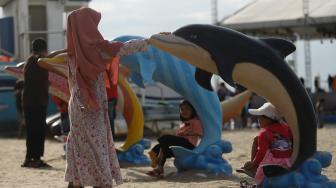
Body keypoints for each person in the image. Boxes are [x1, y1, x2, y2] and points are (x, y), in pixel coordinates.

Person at [38, 8, 147, 188]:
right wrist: (151, 41)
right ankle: (100, 182)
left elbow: (42, 62)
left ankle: (76, 182)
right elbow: (126, 48)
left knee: (79, 143)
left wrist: (69, 48)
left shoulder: (70, 55)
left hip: (77, 105)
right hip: (94, 106)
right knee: (98, 145)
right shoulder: (100, 51)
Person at [237, 102, 293, 187]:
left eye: (260, 117)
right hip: (288, 162)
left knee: (262, 147)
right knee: (258, 140)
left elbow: (262, 153)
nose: (258, 119)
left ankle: (255, 170)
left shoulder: (264, 133)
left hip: (272, 164)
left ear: (268, 119)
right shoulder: (287, 128)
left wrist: (254, 164)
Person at [146, 100, 203, 177]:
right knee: (160, 146)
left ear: (192, 110)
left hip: (188, 145)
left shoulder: (195, 121)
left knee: (165, 138)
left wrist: (187, 133)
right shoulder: (183, 124)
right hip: (179, 145)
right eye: (182, 109)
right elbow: (177, 137)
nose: (184, 111)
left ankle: (158, 160)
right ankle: (159, 167)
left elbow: (200, 134)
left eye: (187, 109)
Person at [21, 38, 53, 168]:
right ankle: (33, 159)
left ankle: (33, 158)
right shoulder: (37, 61)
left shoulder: (31, 61)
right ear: (43, 49)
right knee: (37, 131)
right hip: (36, 102)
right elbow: (39, 82)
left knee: (34, 131)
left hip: (32, 102)